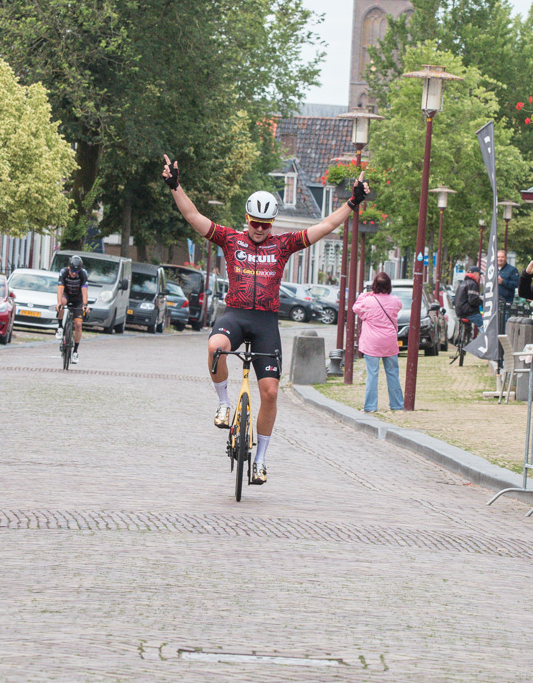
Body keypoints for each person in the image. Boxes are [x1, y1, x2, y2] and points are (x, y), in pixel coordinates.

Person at [162, 155, 370, 486]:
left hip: (266, 322)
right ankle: (223, 404)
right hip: (236, 314)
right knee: (215, 346)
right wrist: (175, 186)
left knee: (270, 393)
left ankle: (260, 459)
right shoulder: (230, 239)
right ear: (246, 219)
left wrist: (352, 203)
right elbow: (193, 216)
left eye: (265, 224)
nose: (259, 230)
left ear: (272, 223)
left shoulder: (283, 245)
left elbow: (325, 227)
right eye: (254, 223)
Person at [352, 270, 404, 413]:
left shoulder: (368, 301)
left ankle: (370, 406)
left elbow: (356, 308)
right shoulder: (395, 300)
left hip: (372, 343)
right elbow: (399, 307)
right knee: (393, 373)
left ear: (374, 285)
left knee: (372, 374)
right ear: (389, 285)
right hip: (389, 341)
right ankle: (397, 404)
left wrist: (364, 295)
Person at [55, 254, 89, 365]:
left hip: (78, 298)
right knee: (61, 304)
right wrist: (59, 303)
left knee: (78, 325)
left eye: (76, 271)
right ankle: (60, 327)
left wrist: (85, 304)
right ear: (69, 267)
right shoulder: (63, 272)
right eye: (73, 271)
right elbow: (60, 289)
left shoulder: (83, 274)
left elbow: (84, 290)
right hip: (67, 295)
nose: (74, 273)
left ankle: (75, 352)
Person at [496, 250, 519, 321]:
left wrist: (503, 282)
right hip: (493, 303)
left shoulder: (512, 270)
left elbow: (516, 284)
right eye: (498, 257)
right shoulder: (492, 269)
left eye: (502, 257)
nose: (500, 259)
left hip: (506, 303)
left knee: (504, 323)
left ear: (506, 258)